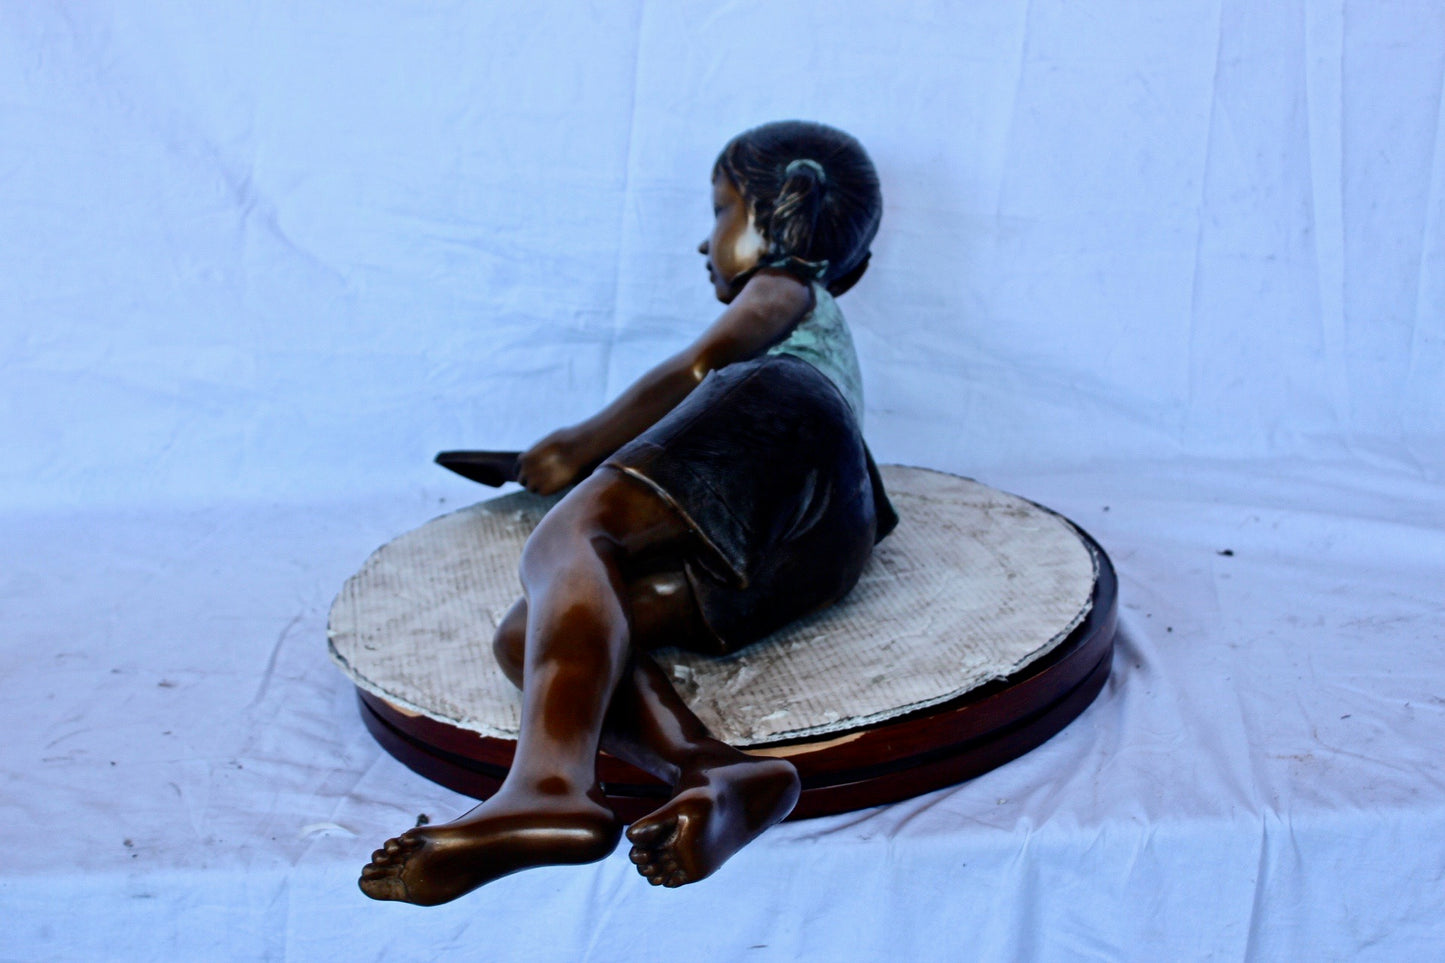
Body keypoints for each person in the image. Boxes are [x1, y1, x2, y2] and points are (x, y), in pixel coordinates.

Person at [360, 120, 895, 905]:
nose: (705, 240)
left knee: (570, 535)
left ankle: (548, 785)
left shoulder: (780, 288)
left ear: (782, 212)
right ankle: (714, 770)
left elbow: (704, 364)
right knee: (528, 633)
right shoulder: (825, 332)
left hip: (781, 416)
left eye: (721, 209)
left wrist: (577, 446)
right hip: (830, 535)